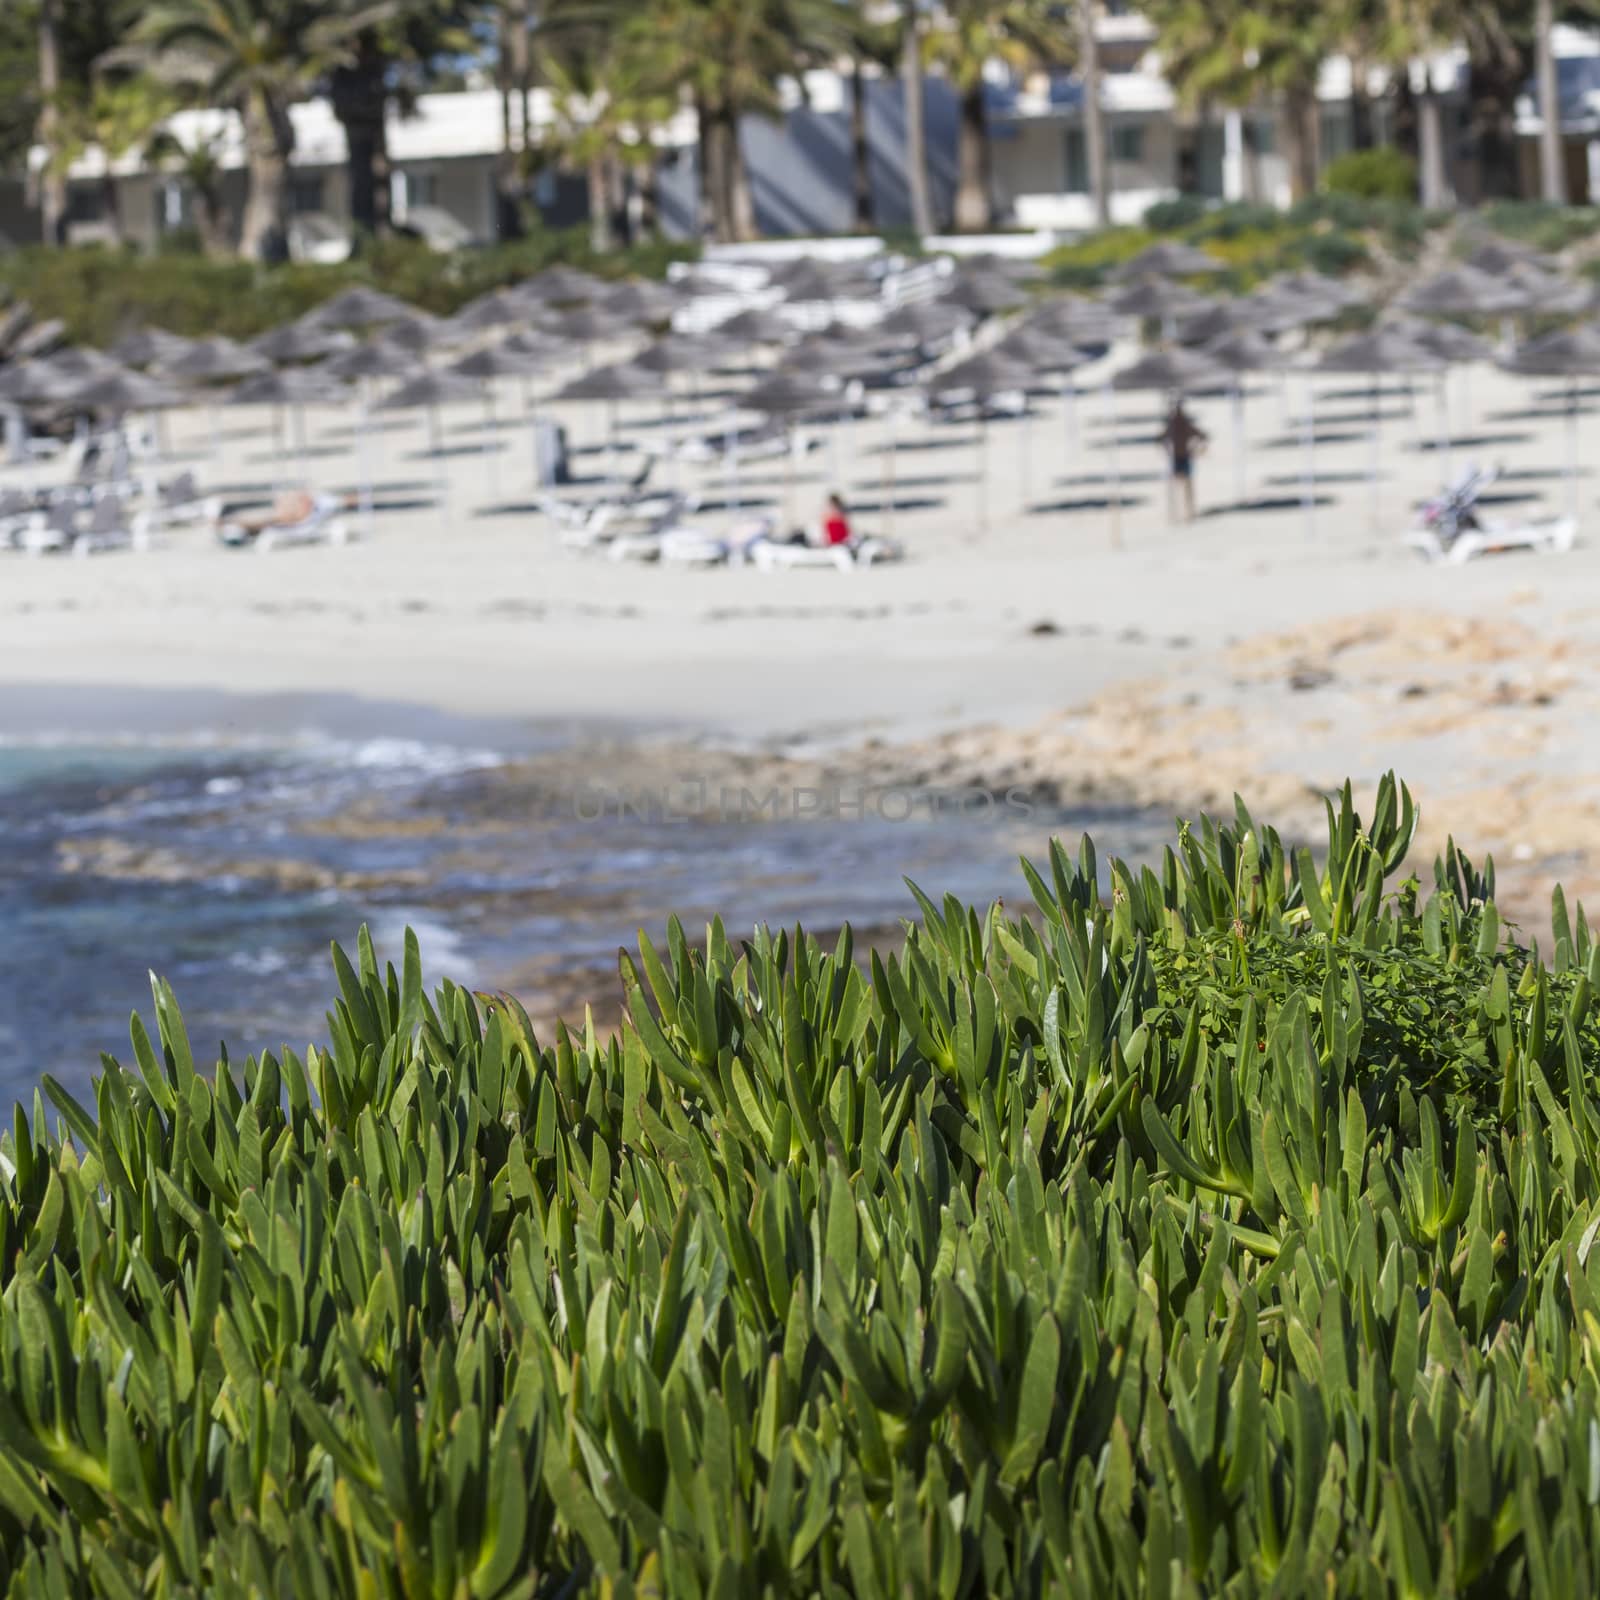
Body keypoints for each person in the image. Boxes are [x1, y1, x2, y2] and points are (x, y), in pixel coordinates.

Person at [1159, 398, 1207, 523]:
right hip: (1179, 457)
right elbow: (1161, 439)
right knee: (1183, 486)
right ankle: (1184, 512)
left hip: (1182, 457)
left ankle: (1187, 512)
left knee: (1184, 486)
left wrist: (1197, 449)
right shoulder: (1175, 424)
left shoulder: (1178, 424)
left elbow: (1201, 436)